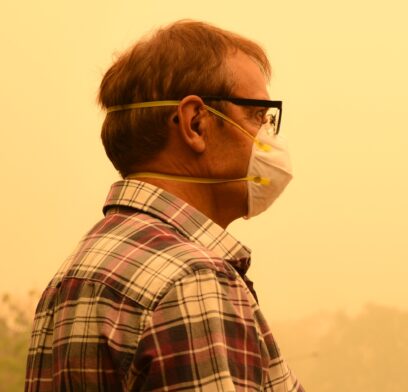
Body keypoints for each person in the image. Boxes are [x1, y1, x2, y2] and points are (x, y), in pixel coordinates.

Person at [25, 20, 304, 391]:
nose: (268, 137)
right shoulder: (193, 279)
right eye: (257, 115)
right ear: (195, 123)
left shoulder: (72, 277)